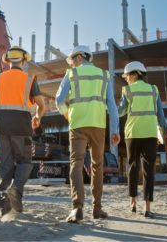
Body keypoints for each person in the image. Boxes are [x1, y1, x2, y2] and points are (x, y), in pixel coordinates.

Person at [55, 45, 120, 223]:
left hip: (77, 124)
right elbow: (112, 106)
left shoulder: (71, 74)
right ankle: (97, 209)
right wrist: (115, 130)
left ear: (77, 58)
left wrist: (67, 114)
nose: (73, 64)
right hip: (98, 125)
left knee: (76, 163)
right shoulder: (104, 75)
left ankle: (77, 208)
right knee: (97, 166)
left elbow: (58, 100)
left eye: (72, 61)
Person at [0, 46, 45, 216]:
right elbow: (41, 105)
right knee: (25, 162)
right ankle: (16, 190)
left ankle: (4, 199)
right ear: (24, 60)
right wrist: (37, 117)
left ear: (8, 60)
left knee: (4, 165)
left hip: (2, 127)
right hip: (22, 127)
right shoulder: (29, 79)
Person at [118, 61, 166, 218]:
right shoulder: (154, 90)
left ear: (134, 74)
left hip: (132, 133)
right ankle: (147, 207)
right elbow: (160, 114)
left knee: (132, 166)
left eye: (127, 76)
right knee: (148, 170)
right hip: (150, 133)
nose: (126, 79)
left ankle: (133, 203)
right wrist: (163, 129)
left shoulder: (127, 91)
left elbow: (120, 111)